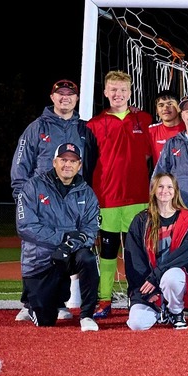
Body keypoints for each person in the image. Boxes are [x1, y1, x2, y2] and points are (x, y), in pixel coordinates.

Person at [11, 79, 99, 322]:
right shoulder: (36, 128)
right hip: (40, 200)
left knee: (69, 249)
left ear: (77, 98)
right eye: (60, 94)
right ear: (52, 97)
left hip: (70, 198)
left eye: (70, 94)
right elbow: (21, 166)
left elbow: (90, 163)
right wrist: (24, 199)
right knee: (36, 248)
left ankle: (58, 301)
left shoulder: (83, 129)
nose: (65, 98)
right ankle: (29, 301)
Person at [86, 70, 155, 319]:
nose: (118, 94)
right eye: (113, 89)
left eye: (123, 90)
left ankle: (137, 298)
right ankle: (104, 300)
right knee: (107, 254)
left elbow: (149, 155)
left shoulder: (144, 120)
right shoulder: (93, 125)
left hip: (138, 199)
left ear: (130, 92)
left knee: (137, 254)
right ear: (105, 92)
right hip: (106, 199)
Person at [15, 143, 100, 331]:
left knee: (87, 257)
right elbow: (25, 227)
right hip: (41, 259)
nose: (67, 165)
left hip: (69, 255)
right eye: (63, 160)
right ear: (54, 162)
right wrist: (63, 238)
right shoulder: (33, 187)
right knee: (45, 320)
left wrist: (68, 246)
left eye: (72, 161)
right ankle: (32, 302)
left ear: (79, 165)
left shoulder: (86, 192)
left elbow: (91, 228)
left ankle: (87, 316)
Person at [124, 172, 188, 330]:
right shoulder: (141, 220)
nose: (165, 190)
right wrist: (146, 290)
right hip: (148, 284)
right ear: (153, 190)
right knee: (137, 324)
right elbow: (134, 260)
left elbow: (187, 255)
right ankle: (160, 312)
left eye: (169, 187)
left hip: (175, 279)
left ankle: (176, 311)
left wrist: (156, 275)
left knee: (171, 276)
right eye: (160, 186)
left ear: (175, 191)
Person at [148, 90, 185, 165]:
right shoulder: (151, 131)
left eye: (170, 104)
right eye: (161, 105)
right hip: (162, 176)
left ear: (179, 107)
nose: (165, 108)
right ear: (157, 111)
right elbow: (139, 158)